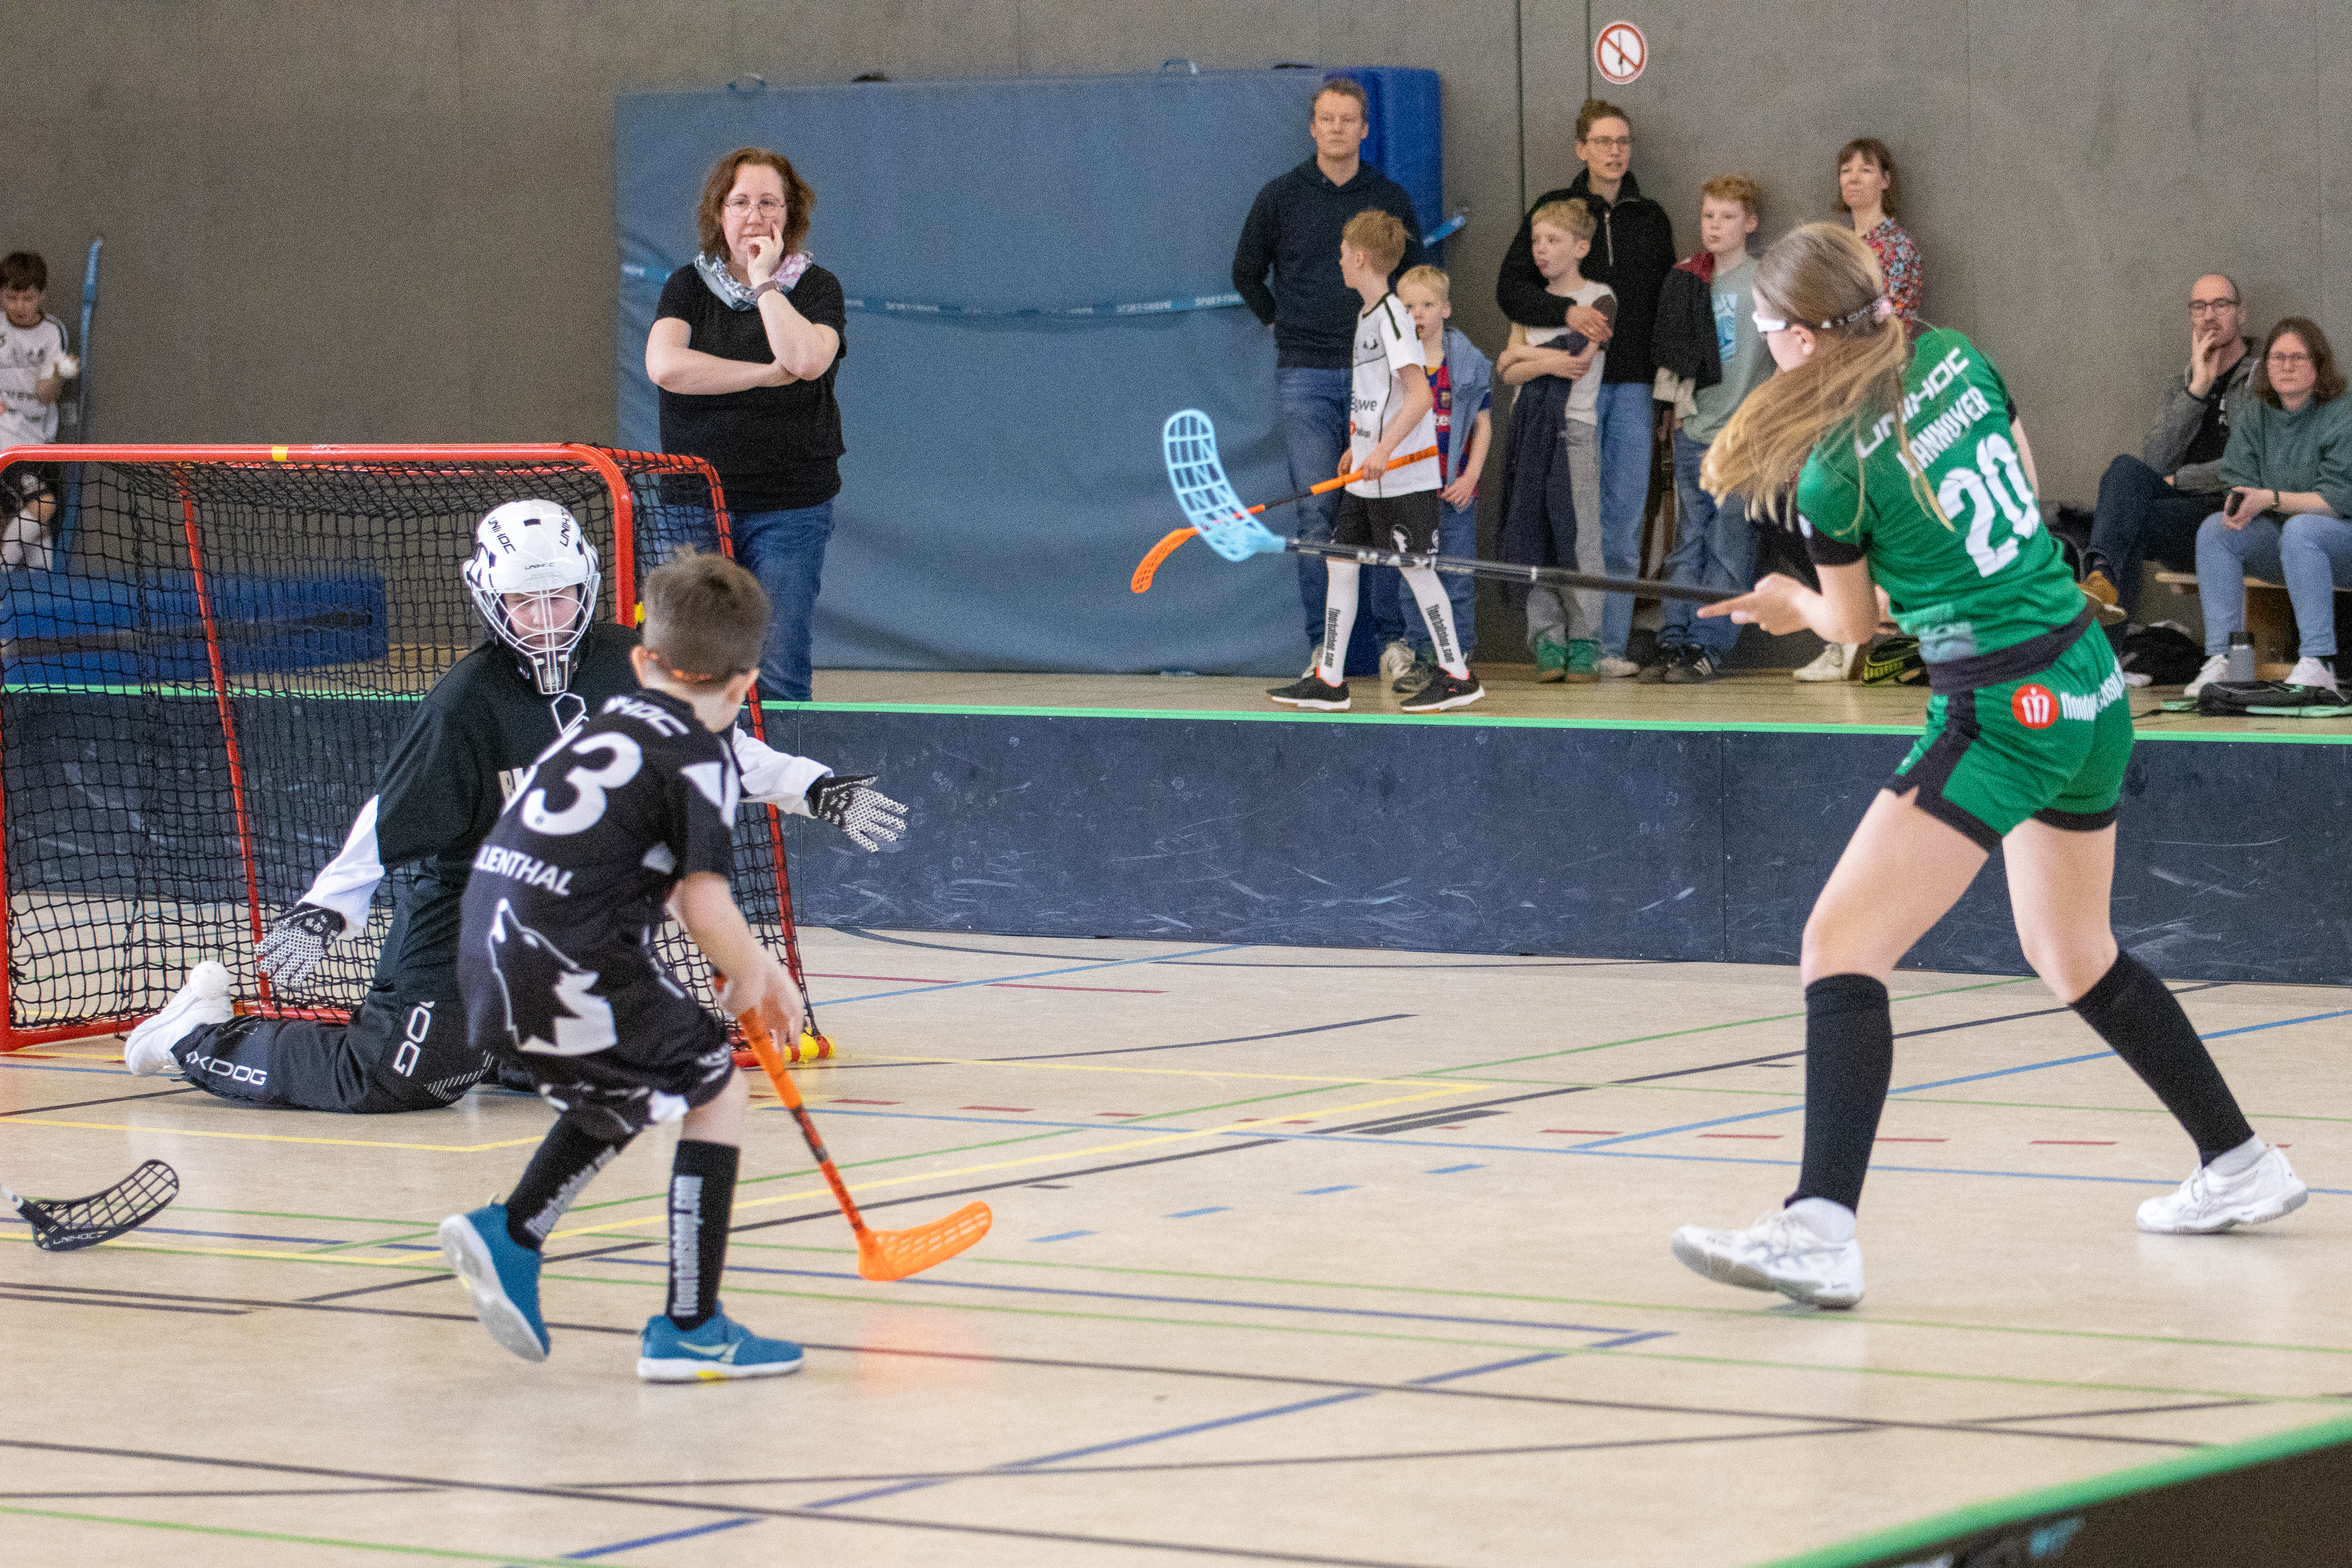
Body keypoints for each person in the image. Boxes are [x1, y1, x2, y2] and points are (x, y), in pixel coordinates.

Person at [1669, 223, 2303, 1310]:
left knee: (1838, 941)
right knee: (2071, 950)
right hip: (2087, 678)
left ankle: (1819, 1225)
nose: (1762, 345)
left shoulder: (1833, 474)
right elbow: (2006, 461)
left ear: (1803, 338)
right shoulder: (1956, 353)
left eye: (1766, 330)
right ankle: (2241, 1161)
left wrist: (1787, 604)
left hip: (2006, 705)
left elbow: (1855, 626)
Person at [123, 502, 905, 1112]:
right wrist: (329, 905)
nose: (544, 619)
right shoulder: (466, 702)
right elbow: (391, 811)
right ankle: (197, 1031)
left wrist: (814, 786)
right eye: (523, 603)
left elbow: (709, 741)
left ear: (588, 587)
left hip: (574, 911)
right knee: (403, 1079)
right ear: (490, 600)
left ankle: (512, 1048)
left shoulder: (627, 661)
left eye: (559, 597)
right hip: (473, 906)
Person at [439, 552, 806, 1380]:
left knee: (636, 1083)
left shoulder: (603, 724)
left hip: (483, 953)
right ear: (745, 685)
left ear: (642, 659)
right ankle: (691, 1326)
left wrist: (752, 965)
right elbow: (705, 905)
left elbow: (667, 889)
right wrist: (756, 980)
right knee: (716, 1083)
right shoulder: (702, 755)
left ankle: (516, 1233)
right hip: (568, 955)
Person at [645, 146, 846, 705]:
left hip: (789, 506)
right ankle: (691, 784)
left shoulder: (816, 287)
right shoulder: (687, 285)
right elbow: (666, 367)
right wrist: (763, 374)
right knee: (685, 663)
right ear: (719, 214)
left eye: (768, 203)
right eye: (740, 203)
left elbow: (806, 360)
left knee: (776, 668)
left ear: (791, 215)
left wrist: (764, 282)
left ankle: (777, 790)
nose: (754, 216)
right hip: (694, 502)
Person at [1233, 76, 1425, 661]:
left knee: (1386, 508)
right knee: (1318, 512)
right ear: (1313, 127)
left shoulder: (1388, 197)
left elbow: (1413, 281)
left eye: (1349, 119)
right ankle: (1326, 649)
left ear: (1365, 129)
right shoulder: (1279, 196)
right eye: (1328, 118)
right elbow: (1245, 273)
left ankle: (1393, 641)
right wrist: (1279, 324)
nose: (1338, 128)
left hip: (1382, 380)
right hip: (1306, 375)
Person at [1265, 210, 1480, 714]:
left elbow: (1419, 396)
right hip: (1368, 479)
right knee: (1341, 564)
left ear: (1359, 258)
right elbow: (1376, 399)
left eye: (1343, 253)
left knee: (1417, 572)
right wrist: (1361, 446)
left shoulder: (1391, 318)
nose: (1339, 261)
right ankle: (1331, 678)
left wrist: (1383, 450)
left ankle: (1458, 674)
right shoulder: (1366, 317)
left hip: (1404, 477)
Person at [1496, 99, 1676, 677]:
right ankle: (1560, 640)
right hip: (1564, 394)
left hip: (1630, 387)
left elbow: (1668, 310)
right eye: (1601, 141)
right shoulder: (1554, 213)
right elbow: (1510, 289)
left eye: (1621, 140)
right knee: (1560, 522)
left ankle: (1608, 648)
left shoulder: (1650, 219)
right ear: (1581, 149)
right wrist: (1567, 314)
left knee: (1621, 526)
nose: (1613, 150)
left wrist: (1666, 392)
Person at [2079, 276, 2258, 643]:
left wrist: (2182, 481)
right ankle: (2102, 580)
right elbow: (2154, 463)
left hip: (2226, 514)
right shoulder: (2182, 384)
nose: (2209, 316)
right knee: (2124, 470)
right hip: (2177, 517)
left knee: (2123, 520)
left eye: (2220, 305)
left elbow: (2249, 466)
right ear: (2191, 318)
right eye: (2199, 307)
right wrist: (2197, 390)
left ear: (2241, 315)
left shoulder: (2260, 378)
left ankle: (2106, 651)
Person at [1648, 174, 1774, 684]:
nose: (1715, 226)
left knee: (1730, 542)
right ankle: (1673, 638)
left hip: (1744, 435)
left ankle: (1710, 645)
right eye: (1707, 216)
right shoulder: (1687, 277)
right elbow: (1671, 356)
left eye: (1726, 216)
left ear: (1749, 223)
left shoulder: (1766, 279)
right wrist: (1671, 411)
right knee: (1688, 539)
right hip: (1693, 427)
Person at [2184, 318, 2352, 696]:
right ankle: (2223, 660)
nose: (2286, 366)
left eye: (2297, 357)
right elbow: (2236, 478)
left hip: (2339, 539)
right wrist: (2241, 502)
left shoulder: (2342, 412)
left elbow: (2338, 498)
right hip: (2287, 544)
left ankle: (2318, 662)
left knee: (2302, 528)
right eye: (2277, 358)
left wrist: (2270, 498)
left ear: (2318, 364)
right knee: (2215, 530)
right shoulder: (2255, 414)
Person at [1496, 201, 1613, 681]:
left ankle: (1585, 639)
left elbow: (1576, 361)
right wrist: (1527, 359)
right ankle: (1547, 638)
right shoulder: (1530, 301)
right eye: (1536, 242)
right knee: (1533, 532)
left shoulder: (1600, 296)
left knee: (1580, 535)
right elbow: (1505, 371)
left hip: (1574, 429)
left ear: (1581, 248)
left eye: (1552, 241)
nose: (1540, 250)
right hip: (1527, 429)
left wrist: (1525, 357)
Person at [1372, 264, 1492, 694]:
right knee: (1414, 580)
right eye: (1408, 307)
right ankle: (1422, 658)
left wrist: (1471, 476)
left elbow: (1483, 426)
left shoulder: (1468, 363)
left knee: (1456, 578)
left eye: (1427, 305)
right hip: (1410, 492)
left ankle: (1455, 661)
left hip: (1455, 492)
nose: (1418, 314)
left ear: (1446, 308)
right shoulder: (1395, 364)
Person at [0, 251, 78, 570]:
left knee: (36, 521)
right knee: (43, 505)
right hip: (6, 435)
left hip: (38, 436)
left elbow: (46, 396)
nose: (18, 306)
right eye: (10, 297)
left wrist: (59, 371)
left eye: (27, 298)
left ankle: (43, 597)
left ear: (41, 294)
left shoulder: (51, 332)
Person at [1836, 138, 1922, 330]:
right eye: (1846, 171)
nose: (1853, 178)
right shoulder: (1843, 244)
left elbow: (1887, 320)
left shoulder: (1897, 247)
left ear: (1885, 180)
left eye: (1866, 170)